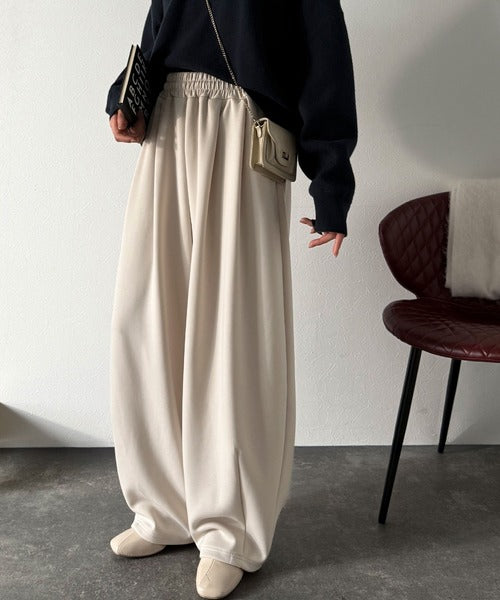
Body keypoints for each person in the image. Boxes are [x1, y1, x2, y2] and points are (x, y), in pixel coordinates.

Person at [105, 1, 357, 598]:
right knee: (148, 321)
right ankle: (163, 509)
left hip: (245, 130)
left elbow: (325, 63)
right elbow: (156, 39)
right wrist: (126, 100)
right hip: (168, 130)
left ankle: (230, 531)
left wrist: (330, 186)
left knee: (231, 332)